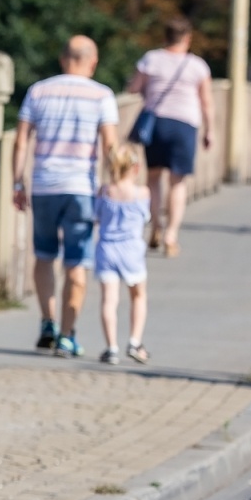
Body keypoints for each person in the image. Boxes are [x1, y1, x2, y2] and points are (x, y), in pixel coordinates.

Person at [12, 35, 120, 359]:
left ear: (63, 59)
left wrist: (18, 182)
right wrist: (112, 186)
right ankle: (68, 334)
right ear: (93, 61)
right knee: (77, 263)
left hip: (44, 185)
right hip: (81, 190)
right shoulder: (102, 95)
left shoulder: (38, 90)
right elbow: (110, 147)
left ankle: (47, 321)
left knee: (44, 256)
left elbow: (20, 141)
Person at [126, 17, 212, 258]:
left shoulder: (151, 59)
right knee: (178, 182)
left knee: (153, 177)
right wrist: (210, 130)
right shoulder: (197, 66)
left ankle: (155, 226)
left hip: (157, 123)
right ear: (188, 38)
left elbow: (133, 87)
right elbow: (206, 102)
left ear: (165, 36)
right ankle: (171, 235)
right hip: (185, 124)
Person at [94, 142, 151, 365]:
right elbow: (146, 217)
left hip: (107, 249)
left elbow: (97, 216)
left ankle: (111, 348)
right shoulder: (141, 193)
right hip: (132, 251)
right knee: (138, 295)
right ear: (135, 169)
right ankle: (135, 342)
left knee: (109, 299)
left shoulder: (105, 191)